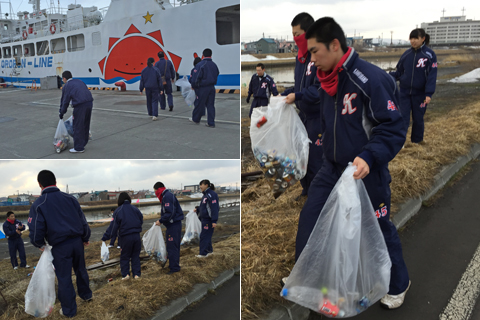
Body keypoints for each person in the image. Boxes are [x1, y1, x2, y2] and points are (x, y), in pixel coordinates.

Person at [295, 17, 410, 309]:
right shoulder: (326, 81)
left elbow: (393, 127)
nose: (312, 59)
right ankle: (310, 283)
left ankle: (398, 284)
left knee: (379, 228)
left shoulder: (369, 79)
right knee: (311, 218)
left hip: (364, 172)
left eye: (315, 51)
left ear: (335, 45)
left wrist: (369, 157)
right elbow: (326, 123)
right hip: (331, 168)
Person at [28, 170, 92, 317]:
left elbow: (36, 228)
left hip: (59, 246)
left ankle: (69, 310)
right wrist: (85, 237)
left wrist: (39, 244)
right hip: (77, 242)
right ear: (55, 182)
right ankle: (87, 295)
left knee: (64, 278)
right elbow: (82, 220)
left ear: (40, 184)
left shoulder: (39, 204)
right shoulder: (70, 199)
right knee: (81, 270)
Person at [281, 12, 323, 198]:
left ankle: (317, 194)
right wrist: (285, 93)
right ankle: (306, 189)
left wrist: (297, 95)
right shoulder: (301, 58)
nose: (294, 38)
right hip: (303, 115)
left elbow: (319, 90)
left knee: (314, 157)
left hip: (318, 116)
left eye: (297, 34)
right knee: (301, 154)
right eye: (293, 34)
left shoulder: (318, 57)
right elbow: (301, 85)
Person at [389, 28, 437, 144]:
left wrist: (428, 93)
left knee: (418, 118)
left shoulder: (429, 55)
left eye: (416, 38)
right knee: (402, 118)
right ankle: (400, 142)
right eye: (411, 38)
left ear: (423, 39)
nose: (413, 41)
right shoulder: (406, 54)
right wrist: (387, 77)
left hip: (420, 94)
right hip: (404, 92)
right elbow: (399, 72)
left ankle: (417, 141)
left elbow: (432, 75)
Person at [101, 192, 143, 280]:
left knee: (125, 256)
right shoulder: (135, 209)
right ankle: (136, 275)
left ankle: (126, 275)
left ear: (119, 200)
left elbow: (113, 228)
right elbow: (141, 219)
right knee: (135, 256)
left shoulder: (118, 211)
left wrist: (105, 237)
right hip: (136, 236)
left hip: (125, 237)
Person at [59, 70, 93, 153]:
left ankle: (78, 148)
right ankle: (83, 143)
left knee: (77, 126)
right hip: (89, 103)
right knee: (85, 124)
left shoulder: (67, 86)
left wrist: (62, 112)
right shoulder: (79, 81)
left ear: (64, 78)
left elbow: (65, 101)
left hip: (80, 105)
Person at [153, 182, 184, 274]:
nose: (155, 194)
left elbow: (170, 212)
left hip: (173, 225)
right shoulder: (167, 195)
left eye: (155, 191)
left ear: (158, 189)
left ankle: (174, 268)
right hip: (173, 225)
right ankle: (173, 265)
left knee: (172, 247)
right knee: (173, 246)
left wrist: (161, 220)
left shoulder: (167, 196)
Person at [189, 48, 219, 128]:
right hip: (212, 87)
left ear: (203, 55)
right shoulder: (214, 65)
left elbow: (196, 78)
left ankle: (196, 119)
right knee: (210, 105)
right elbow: (217, 73)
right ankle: (211, 122)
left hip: (202, 88)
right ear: (211, 55)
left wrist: (194, 86)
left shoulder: (200, 65)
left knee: (199, 104)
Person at [196, 179, 219, 258]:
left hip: (208, 220)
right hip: (204, 219)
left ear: (206, 185)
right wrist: (198, 209)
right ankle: (209, 251)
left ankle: (203, 253)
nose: (200, 187)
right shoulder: (205, 195)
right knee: (207, 236)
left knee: (204, 236)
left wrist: (214, 220)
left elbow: (214, 208)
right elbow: (204, 206)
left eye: (201, 185)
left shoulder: (211, 194)